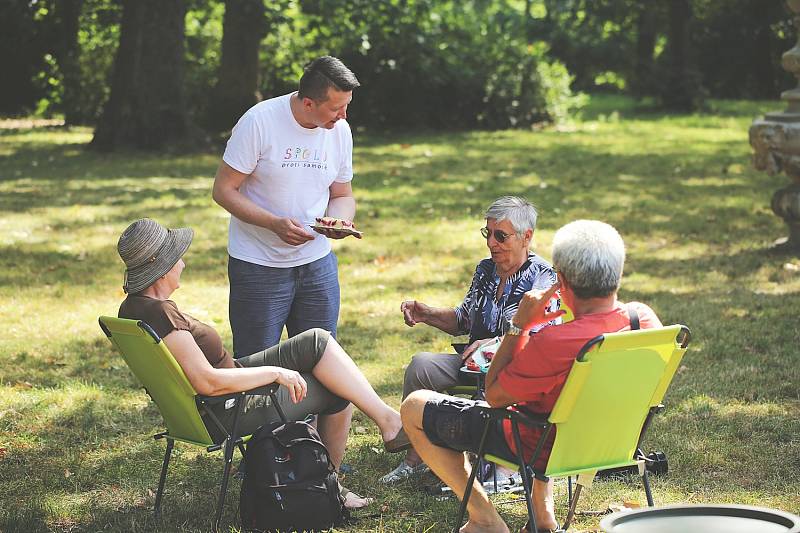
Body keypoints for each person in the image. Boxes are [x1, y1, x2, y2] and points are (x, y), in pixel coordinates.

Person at [116, 218, 409, 509]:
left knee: (317, 341)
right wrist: (275, 372)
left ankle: (388, 420)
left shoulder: (133, 308)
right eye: (177, 257)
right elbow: (207, 382)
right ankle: (326, 488)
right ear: (162, 269)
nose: (183, 263)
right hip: (226, 409)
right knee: (340, 391)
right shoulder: (163, 315)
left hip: (218, 394)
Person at [401, 220, 663, 533]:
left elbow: (494, 394)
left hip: (541, 445)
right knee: (549, 401)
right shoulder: (641, 320)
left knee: (414, 406)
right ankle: (543, 518)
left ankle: (485, 518)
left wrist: (519, 326)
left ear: (561, 280)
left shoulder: (554, 343)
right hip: (613, 440)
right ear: (617, 273)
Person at [381, 196, 559, 484]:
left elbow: (541, 338)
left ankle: (457, 462)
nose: (491, 243)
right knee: (421, 365)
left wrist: (494, 344)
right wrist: (427, 314)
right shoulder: (486, 270)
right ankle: (416, 454)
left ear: (527, 237)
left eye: (500, 236)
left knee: (481, 402)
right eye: (487, 233)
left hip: (510, 373)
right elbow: (464, 319)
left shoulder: (543, 277)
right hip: (472, 365)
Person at [212, 55, 360, 359]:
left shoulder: (340, 131)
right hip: (258, 265)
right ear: (308, 103)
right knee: (256, 364)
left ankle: (310, 410)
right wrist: (273, 223)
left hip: (317, 264)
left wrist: (338, 222)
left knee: (323, 362)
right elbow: (224, 191)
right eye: (335, 108)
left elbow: (342, 194)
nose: (343, 116)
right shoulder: (259, 122)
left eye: (347, 106)